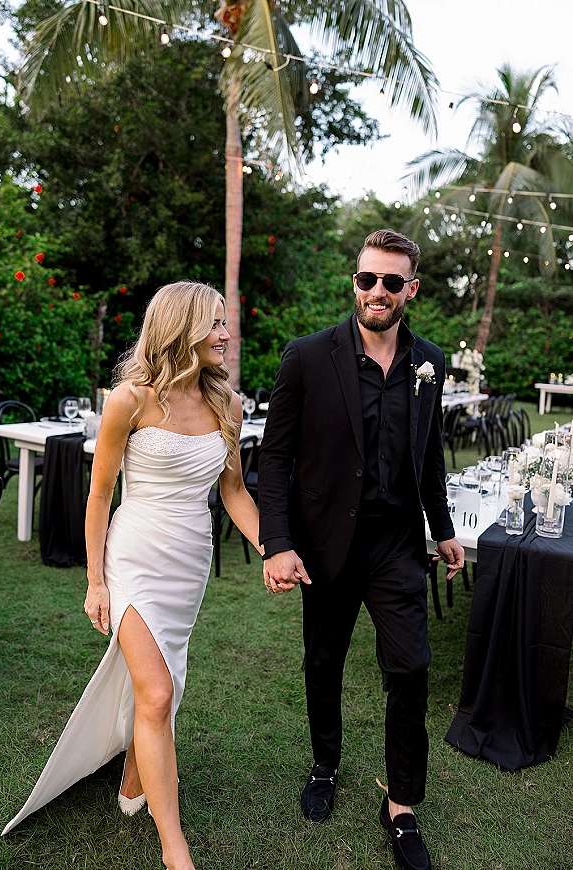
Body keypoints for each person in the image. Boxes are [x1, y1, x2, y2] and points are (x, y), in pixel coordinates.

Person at [3, 281, 261, 870]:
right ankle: (175, 848)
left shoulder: (228, 404)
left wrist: (273, 548)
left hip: (189, 561)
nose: (225, 334)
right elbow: (99, 495)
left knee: (162, 687)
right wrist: (96, 582)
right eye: (215, 323)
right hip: (135, 556)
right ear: (181, 328)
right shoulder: (129, 400)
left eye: (224, 322)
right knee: (159, 690)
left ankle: (134, 769)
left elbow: (234, 491)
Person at [258, 230, 464, 870]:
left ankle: (400, 805)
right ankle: (325, 762)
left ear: (411, 289)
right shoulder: (307, 357)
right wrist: (277, 543)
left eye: (391, 282)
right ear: (355, 282)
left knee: (411, 669)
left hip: (396, 544)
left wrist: (443, 527)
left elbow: (429, 455)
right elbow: (275, 457)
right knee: (323, 662)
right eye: (367, 279)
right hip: (326, 545)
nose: (378, 291)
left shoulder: (428, 362)